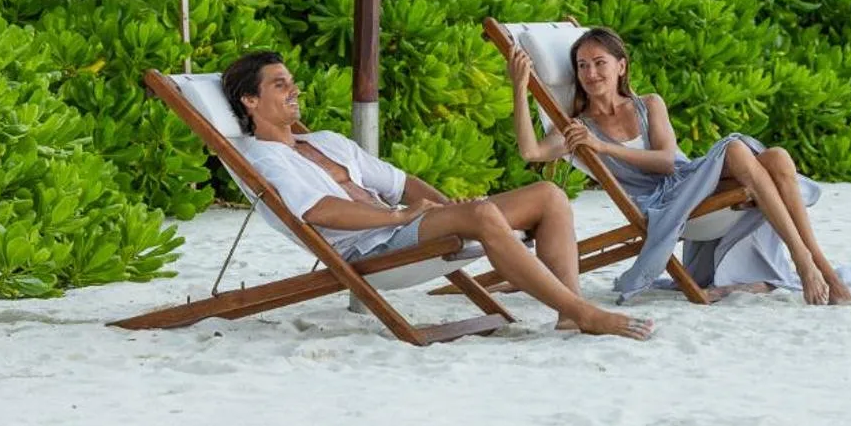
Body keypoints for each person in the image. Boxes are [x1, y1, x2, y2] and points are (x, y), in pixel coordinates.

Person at [221, 50, 652, 340]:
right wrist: (398, 217)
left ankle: (568, 313)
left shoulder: (326, 141)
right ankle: (584, 312)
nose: (294, 90)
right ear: (250, 100)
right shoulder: (265, 158)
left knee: (549, 195)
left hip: (402, 228)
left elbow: (401, 183)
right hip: (370, 247)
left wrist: (448, 210)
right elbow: (319, 210)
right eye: (280, 85)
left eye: (291, 82)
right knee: (482, 216)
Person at [509, 28, 851, 306]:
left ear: (621, 66)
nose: (591, 73)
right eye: (582, 66)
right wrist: (519, 88)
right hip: (661, 203)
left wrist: (604, 148)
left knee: (778, 157)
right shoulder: (579, 129)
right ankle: (805, 263)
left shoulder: (648, 104)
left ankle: (820, 267)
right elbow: (530, 151)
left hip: (686, 181)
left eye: (599, 63)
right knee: (735, 149)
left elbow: (667, 161)